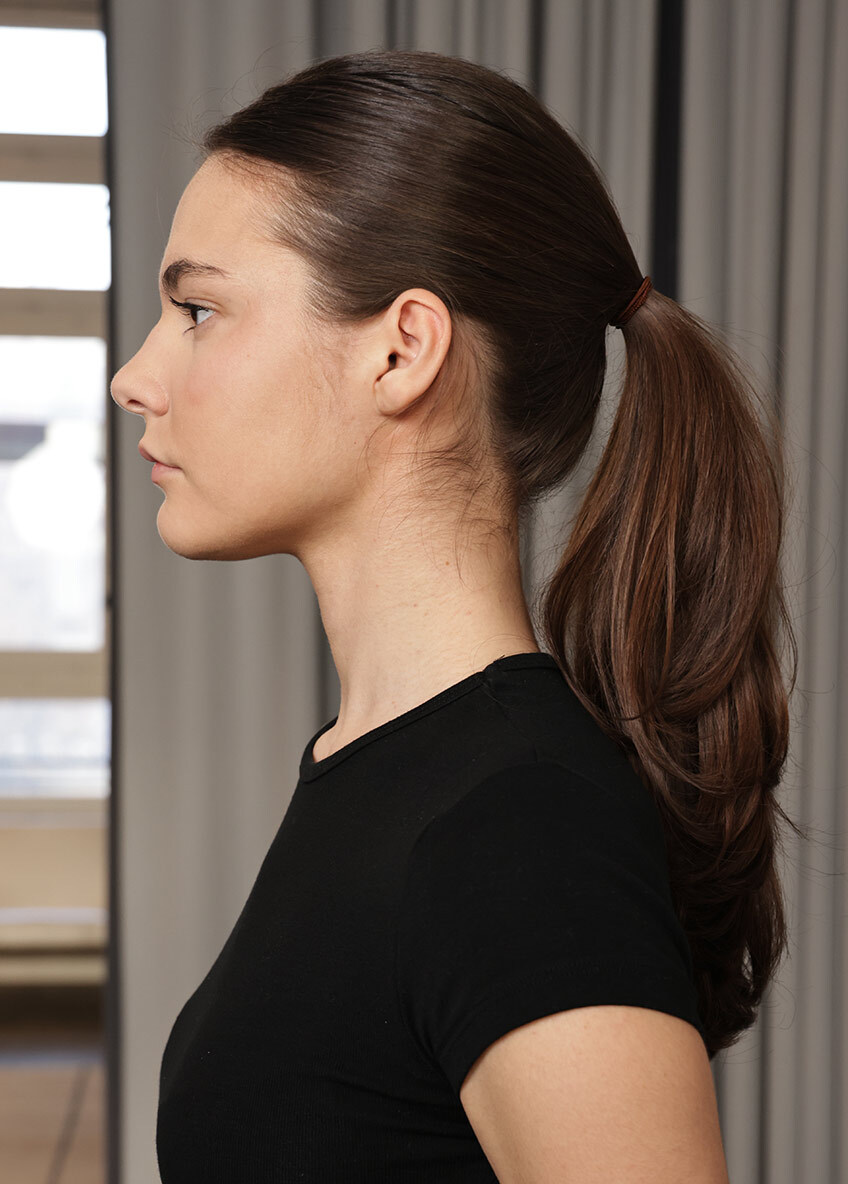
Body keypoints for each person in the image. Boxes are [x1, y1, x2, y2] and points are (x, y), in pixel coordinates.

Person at [110, 47, 799, 1183]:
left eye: (197, 309)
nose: (135, 375)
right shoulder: (383, 768)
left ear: (401, 348)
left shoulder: (517, 827)